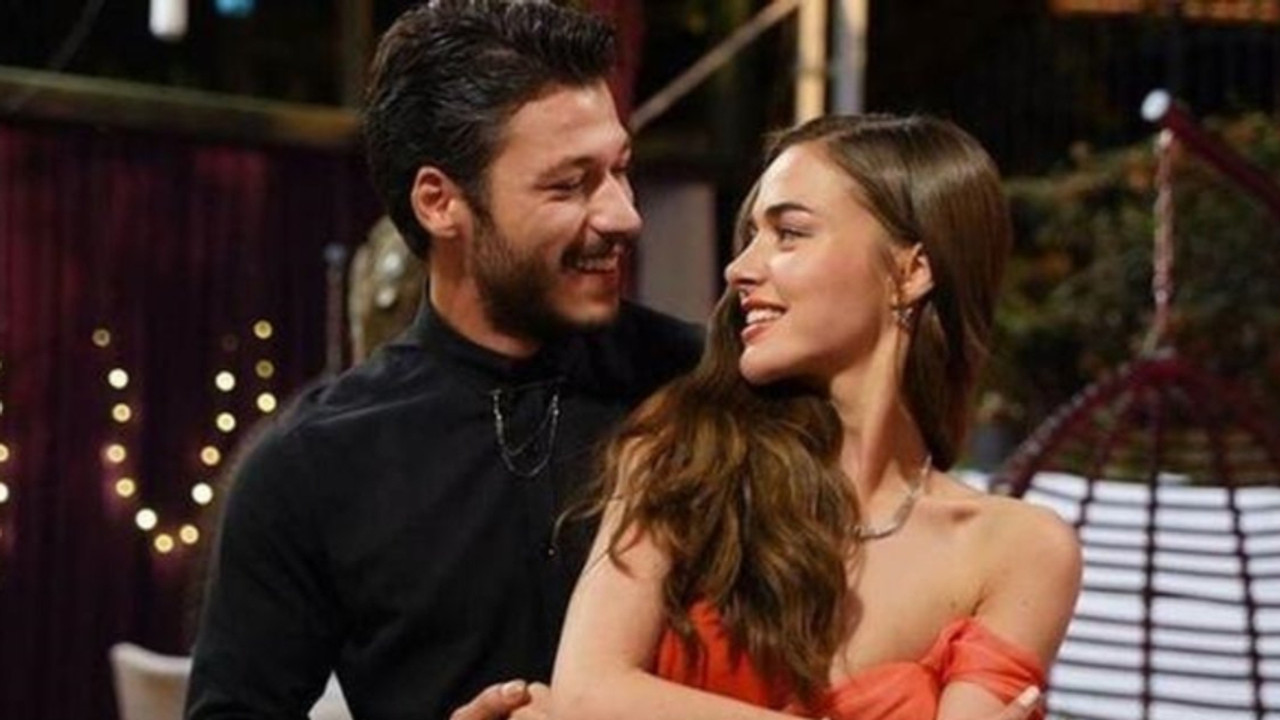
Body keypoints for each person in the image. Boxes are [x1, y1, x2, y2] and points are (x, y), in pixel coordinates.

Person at [184, 2, 702, 719]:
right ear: (439, 202)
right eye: (569, 184)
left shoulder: (701, 387)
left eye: (620, 170)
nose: (623, 216)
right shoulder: (312, 463)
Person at [550, 115, 1083, 720]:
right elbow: (586, 694)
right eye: (751, 235)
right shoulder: (687, 456)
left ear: (911, 271)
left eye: (790, 233)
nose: (739, 268)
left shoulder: (1015, 549)